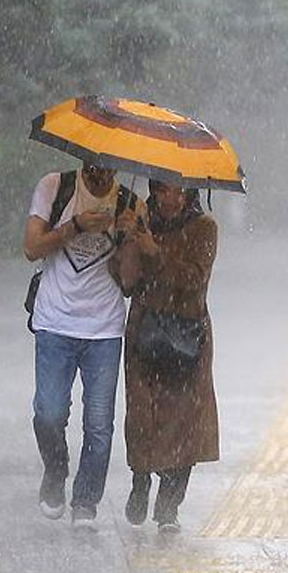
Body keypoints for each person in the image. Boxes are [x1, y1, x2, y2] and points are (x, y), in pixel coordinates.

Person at [22, 162, 141, 527]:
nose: (102, 175)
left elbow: (131, 283)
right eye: (95, 166)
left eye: (109, 168)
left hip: (103, 329)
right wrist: (75, 226)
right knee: (49, 413)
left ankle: (86, 501)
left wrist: (129, 237)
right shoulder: (55, 186)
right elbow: (31, 247)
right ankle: (56, 471)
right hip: (55, 323)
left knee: (99, 423)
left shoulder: (130, 202)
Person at [112, 179, 219, 534]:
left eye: (176, 190)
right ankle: (140, 479)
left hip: (187, 334)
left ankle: (169, 507)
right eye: (161, 190)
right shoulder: (141, 219)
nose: (168, 197)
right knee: (142, 412)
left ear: (189, 193)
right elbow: (125, 283)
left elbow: (193, 277)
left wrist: (154, 249)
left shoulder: (204, 228)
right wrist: (127, 240)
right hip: (145, 331)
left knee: (184, 421)